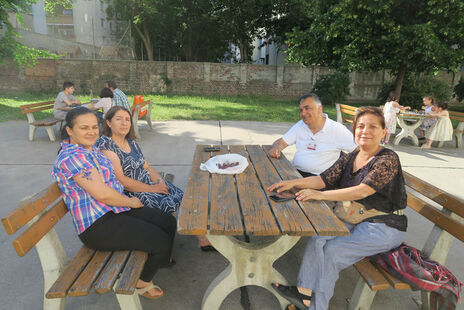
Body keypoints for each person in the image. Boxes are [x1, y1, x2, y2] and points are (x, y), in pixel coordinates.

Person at [268, 107, 407, 310]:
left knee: (332, 252)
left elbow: (361, 191)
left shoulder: (388, 159)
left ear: (384, 131)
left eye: (373, 126)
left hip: (384, 225)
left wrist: (320, 195)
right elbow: (324, 179)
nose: (365, 131)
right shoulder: (353, 155)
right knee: (318, 237)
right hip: (355, 216)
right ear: (354, 130)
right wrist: (293, 183)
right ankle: (304, 294)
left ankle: (316, 307)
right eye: (361, 126)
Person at [51, 107, 175, 300]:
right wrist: (131, 202)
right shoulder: (73, 157)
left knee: (167, 221)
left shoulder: (91, 150)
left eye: (94, 127)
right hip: (97, 226)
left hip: (115, 210)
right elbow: (102, 194)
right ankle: (141, 282)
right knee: (160, 241)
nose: (91, 132)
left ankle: (157, 261)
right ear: (69, 130)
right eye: (84, 128)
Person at [268, 94, 357, 177]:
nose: (303, 113)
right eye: (301, 110)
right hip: (296, 173)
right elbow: (281, 142)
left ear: (319, 109)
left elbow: (360, 150)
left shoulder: (337, 129)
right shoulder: (300, 125)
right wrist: (276, 148)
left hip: (320, 179)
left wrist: (348, 170)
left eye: (307, 108)